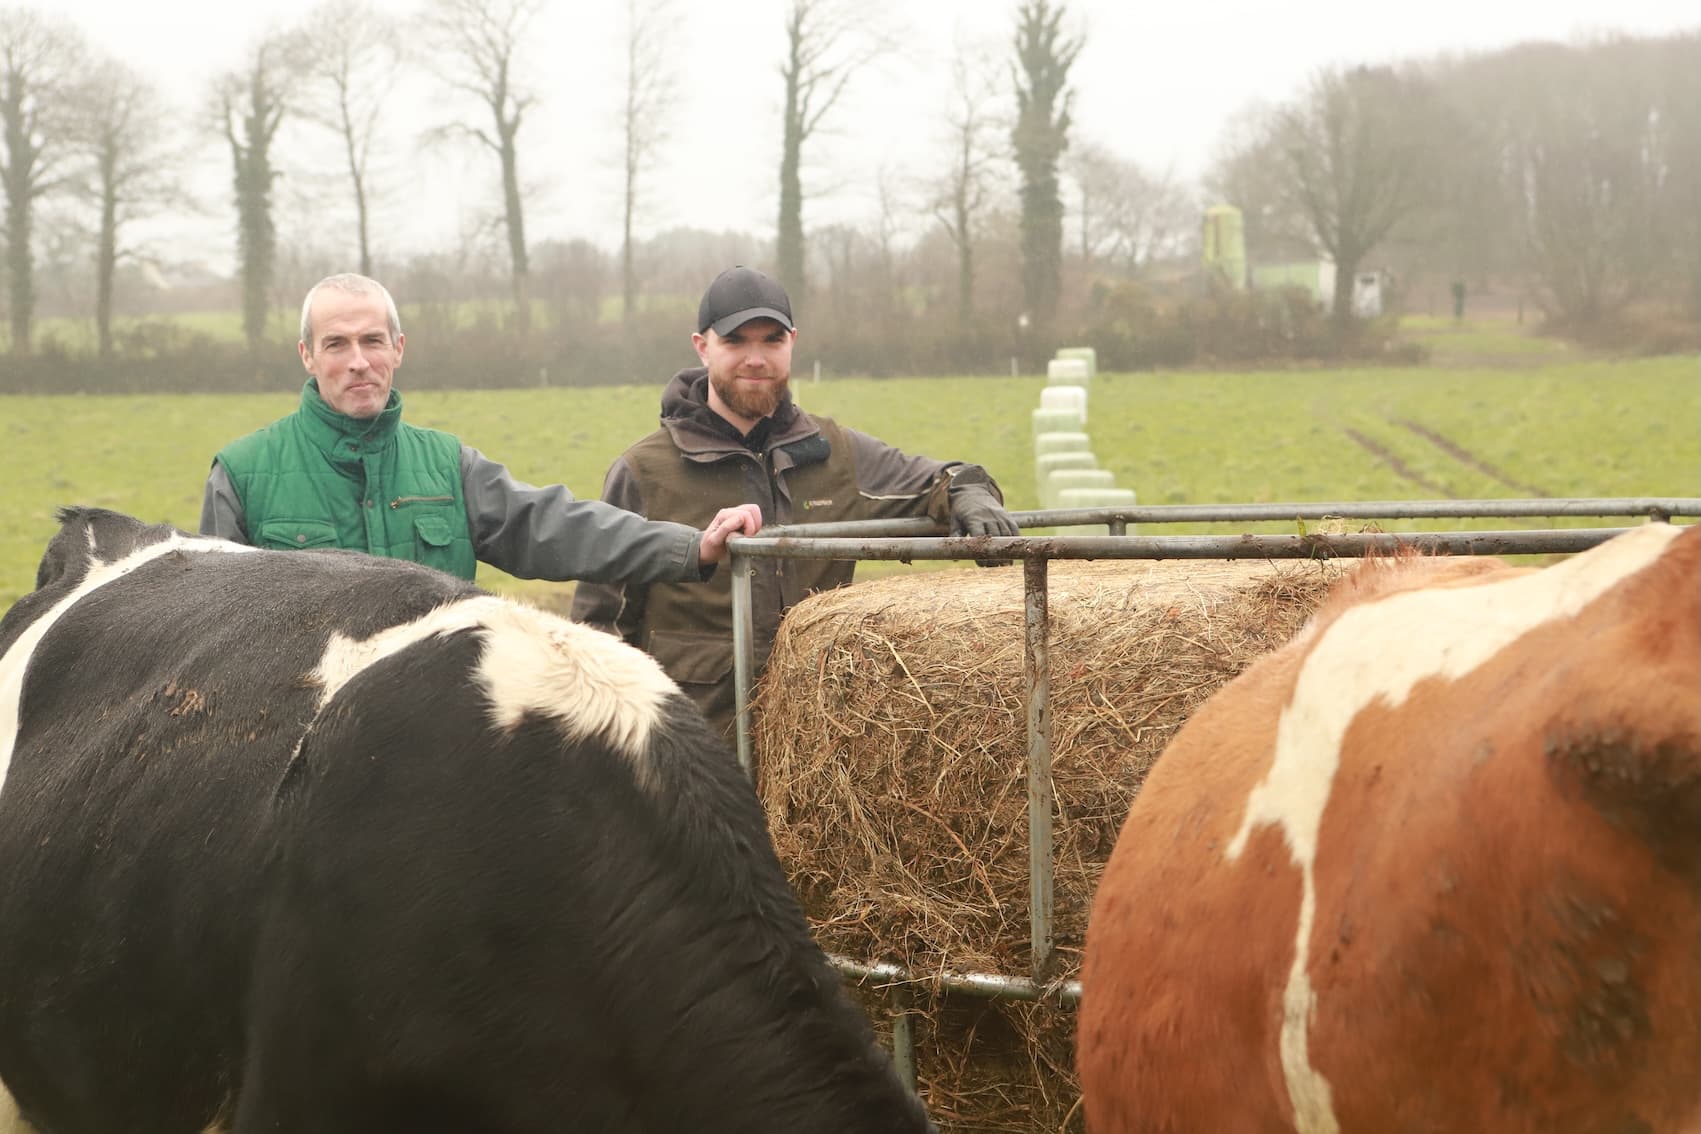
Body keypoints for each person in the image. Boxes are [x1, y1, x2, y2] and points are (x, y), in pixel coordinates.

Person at [570, 265, 1019, 739]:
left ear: (793, 343)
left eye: (772, 340)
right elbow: (599, 631)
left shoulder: (835, 454)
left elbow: (935, 480)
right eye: (736, 341)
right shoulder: (644, 472)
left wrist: (967, 490)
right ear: (702, 347)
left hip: (816, 757)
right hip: (692, 758)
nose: (756, 358)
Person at [201, 272, 761, 589]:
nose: (357, 361)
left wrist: (693, 547)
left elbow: (560, 528)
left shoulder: (448, 467)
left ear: (398, 349)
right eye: (336, 344)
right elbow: (199, 636)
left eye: (372, 341)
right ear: (306, 355)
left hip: (432, 751)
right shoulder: (243, 475)